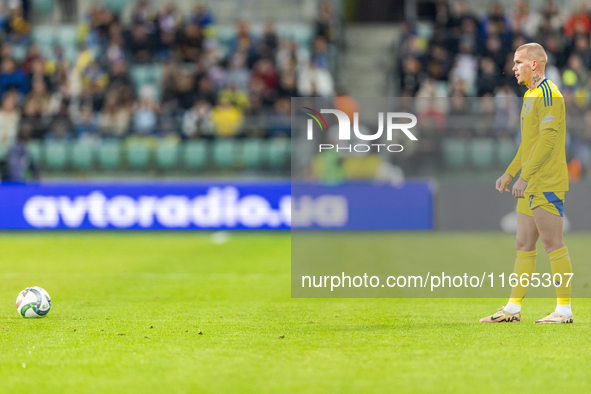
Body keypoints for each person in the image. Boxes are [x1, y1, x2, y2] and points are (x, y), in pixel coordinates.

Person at [480, 43, 573, 324]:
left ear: (535, 65)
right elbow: (528, 144)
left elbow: (547, 141)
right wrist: (510, 173)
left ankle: (564, 310)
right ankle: (512, 309)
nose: (513, 67)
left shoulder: (549, 94)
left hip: (547, 181)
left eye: (518, 62)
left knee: (553, 244)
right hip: (532, 181)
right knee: (523, 244)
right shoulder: (531, 95)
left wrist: (525, 176)